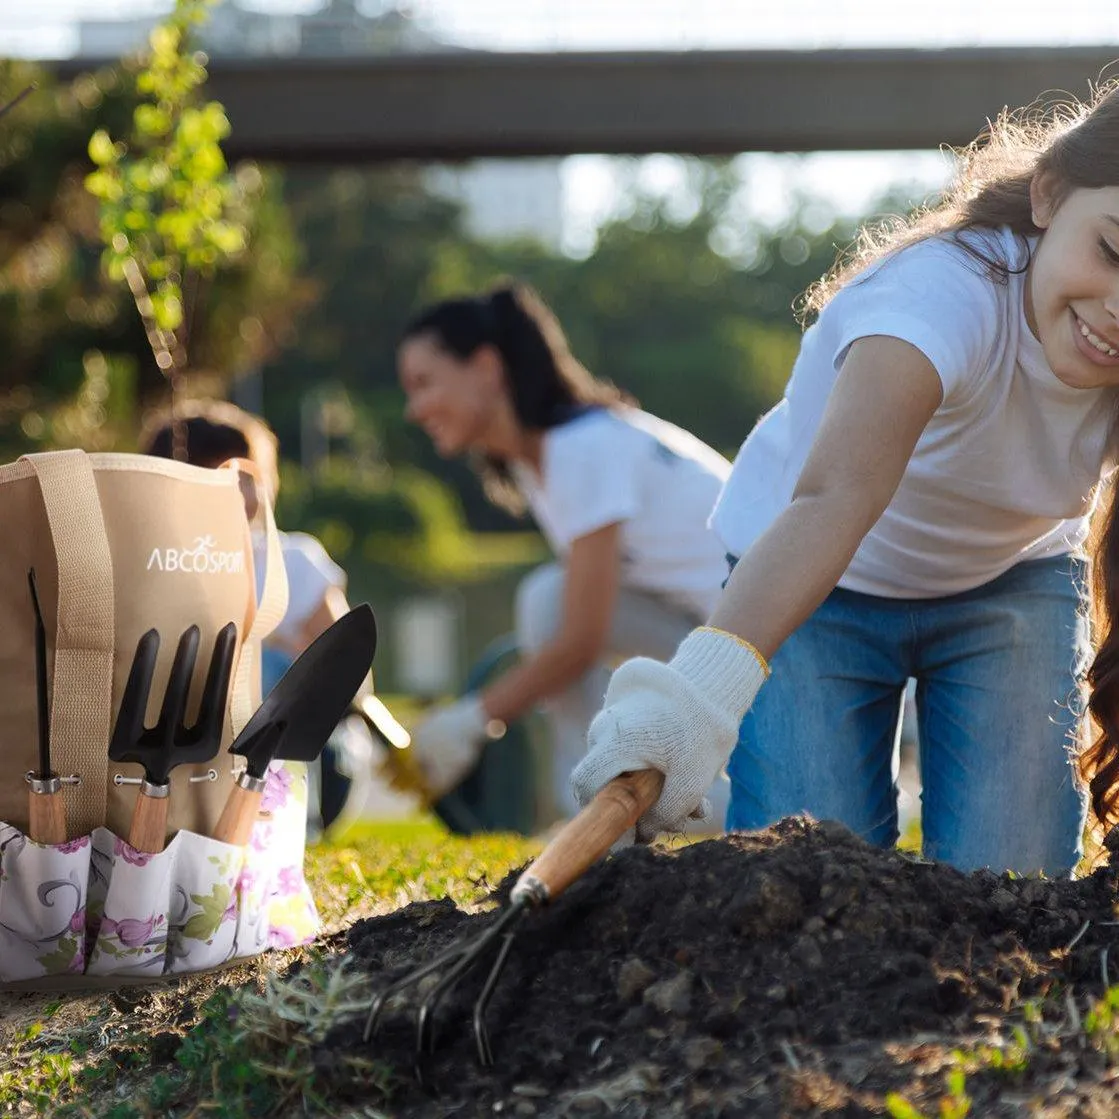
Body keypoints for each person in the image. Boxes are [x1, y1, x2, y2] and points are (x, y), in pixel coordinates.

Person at [570, 82, 1119, 878]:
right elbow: (836, 498)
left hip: (1011, 582)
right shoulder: (934, 301)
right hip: (819, 585)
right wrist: (692, 701)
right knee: (804, 877)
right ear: (1048, 196)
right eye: (1111, 250)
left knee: (1009, 891)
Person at [398, 283, 733, 821]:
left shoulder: (580, 448)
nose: (415, 409)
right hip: (726, 644)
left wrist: (470, 720)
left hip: (773, 658)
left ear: (486, 367)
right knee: (548, 597)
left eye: (424, 383)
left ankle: (610, 806)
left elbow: (579, 641)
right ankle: (608, 798)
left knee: (548, 602)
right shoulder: (552, 459)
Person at [140, 400, 372, 839]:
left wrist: (264, 644)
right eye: (220, 478)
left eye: (249, 478)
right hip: (193, 754)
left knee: (261, 663)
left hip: (316, 757)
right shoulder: (157, 564)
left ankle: (287, 820)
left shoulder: (294, 561)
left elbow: (348, 676)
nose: (243, 494)